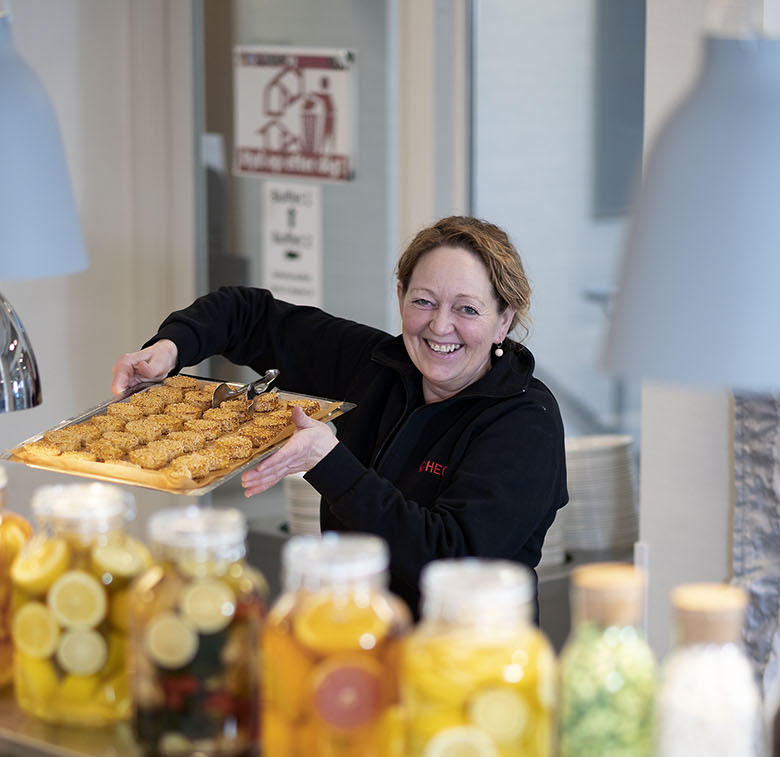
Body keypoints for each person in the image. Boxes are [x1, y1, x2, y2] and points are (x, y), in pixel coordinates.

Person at [111, 215, 568, 617]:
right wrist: (170, 348)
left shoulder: (526, 421)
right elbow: (247, 315)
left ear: (503, 321)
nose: (440, 325)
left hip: (466, 662)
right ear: (400, 295)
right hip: (350, 632)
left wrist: (330, 463)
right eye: (424, 301)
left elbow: (451, 558)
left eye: (467, 309)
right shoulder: (378, 365)